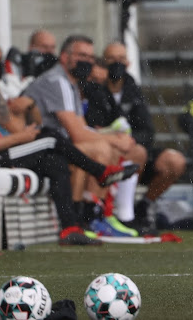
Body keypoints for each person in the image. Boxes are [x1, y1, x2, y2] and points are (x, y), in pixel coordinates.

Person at [0, 42, 137, 246]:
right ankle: (100, 172)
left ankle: (70, 228)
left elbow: (3, 117)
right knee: (50, 137)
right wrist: (20, 138)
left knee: (54, 162)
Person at [24, 35, 148, 236]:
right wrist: (112, 139)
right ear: (64, 57)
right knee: (99, 149)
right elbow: (77, 134)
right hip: (40, 146)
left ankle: (100, 215)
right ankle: (82, 217)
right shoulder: (57, 81)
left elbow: (80, 128)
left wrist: (115, 139)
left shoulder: (71, 83)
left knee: (112, 148)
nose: (87, 61)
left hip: (58, 143)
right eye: (81, 55)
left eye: (90, 57)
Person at [84, 42, 187, 232]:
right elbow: (93, 125)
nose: (117, 64)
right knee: (135, 152)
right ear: (103, 62)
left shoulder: (133, 90)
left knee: (175, 161)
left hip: (134, 150)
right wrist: (117, 139)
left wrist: (130, 141)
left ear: (129, 63)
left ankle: (144, 206)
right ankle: (123, 215)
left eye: (121, 59)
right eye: (111, 59)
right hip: (109, 148)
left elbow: (148, 131)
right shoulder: (94, 91)